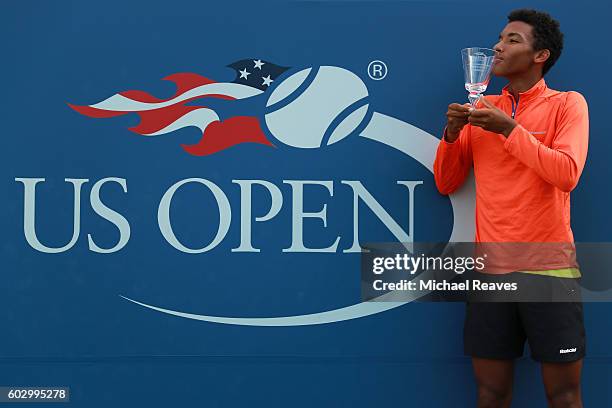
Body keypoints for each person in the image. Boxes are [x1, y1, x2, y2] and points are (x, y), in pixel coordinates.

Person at [433, 9, 589, 408]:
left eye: (513, 40)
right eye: (499, 38)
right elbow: (446, 182)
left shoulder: (568, 104)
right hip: (490, 273)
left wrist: (509, 130)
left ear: (541, 55)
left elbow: (567, 173)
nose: (498, 47)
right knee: (491, 394)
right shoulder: (481, 107)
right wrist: (452, 135)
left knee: (565, 396)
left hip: (550, 270)